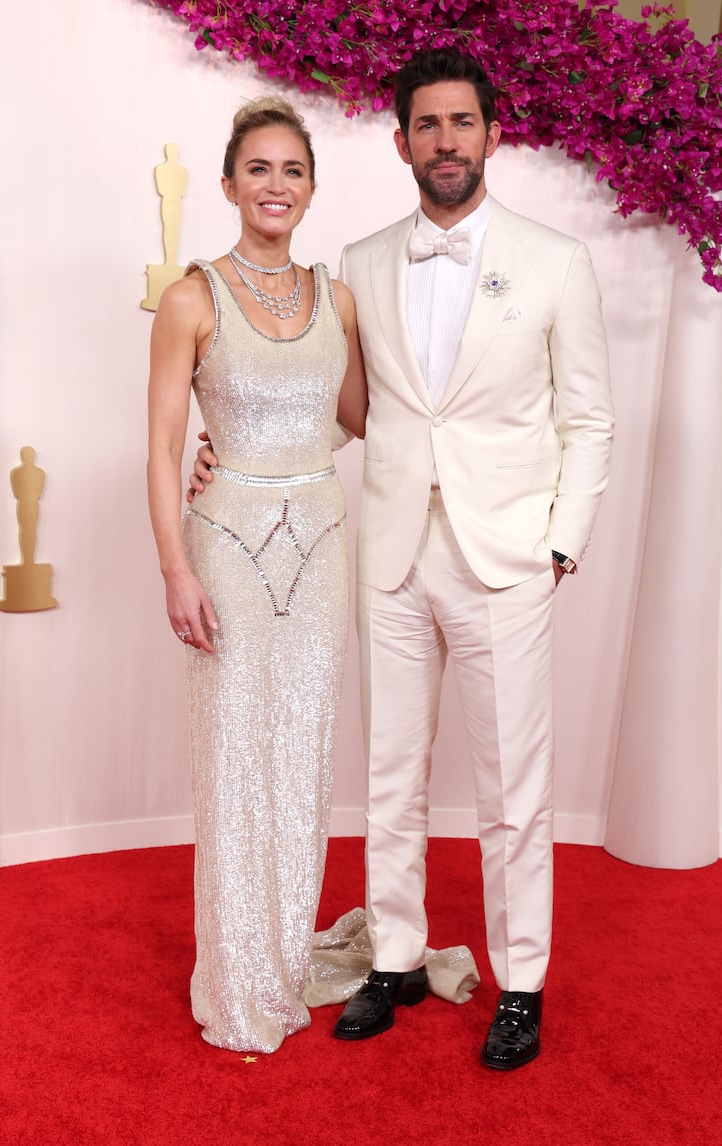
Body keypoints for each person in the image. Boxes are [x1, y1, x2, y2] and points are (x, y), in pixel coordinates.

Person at [190, 49, 613, 1070]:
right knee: (389, 777)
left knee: (516, 786)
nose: (445, 142)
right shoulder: (362, 266)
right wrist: (225, 441)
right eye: (425, 126)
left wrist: (559, 543)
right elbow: (340, 407)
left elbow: (588, 420)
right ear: (398, 143)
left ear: (490, 134)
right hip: (383, 555)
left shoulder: (555, 261)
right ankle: (392, 956)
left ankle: (519, 984)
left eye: (461, 123)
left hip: (505, 558)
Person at [146, 96, 367, 1054]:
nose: (276, 186)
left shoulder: (339, 295)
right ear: (232, 183)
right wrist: (173, 571)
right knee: (236, 760)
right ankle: (237, 980)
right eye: (259, 170)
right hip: (225, 551)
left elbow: (360, 414)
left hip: (321, 546)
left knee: (303, 757)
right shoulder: (190, 298)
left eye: (293, 171)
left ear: (311, 190)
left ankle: (282, 955)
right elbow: (158, 450)